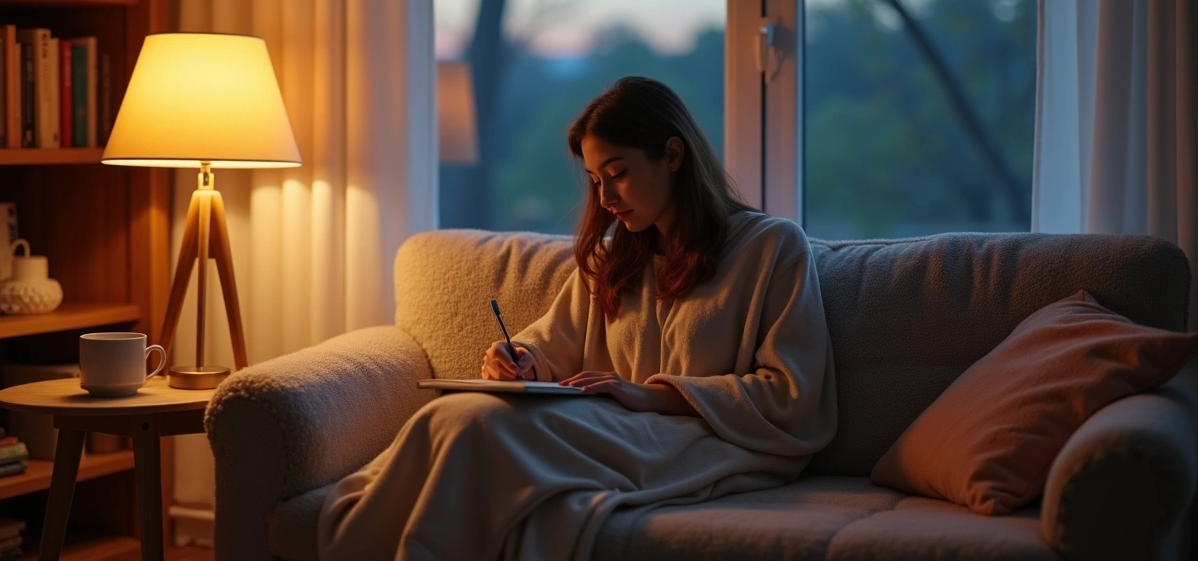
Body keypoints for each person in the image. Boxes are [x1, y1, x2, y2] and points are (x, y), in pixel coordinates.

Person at [318, 76, 837, 561]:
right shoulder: (617, 259)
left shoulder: (771, 247)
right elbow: (551, 345)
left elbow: (791, 395)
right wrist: (518, 359)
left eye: (617, 174)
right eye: (595, 180)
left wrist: (649, 394)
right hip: (612, 426)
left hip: (702, 441)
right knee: (450, 415)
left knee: (475, 427)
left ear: (673, 155)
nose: (606, 198)